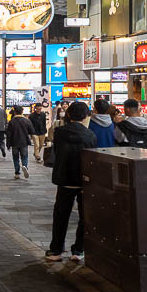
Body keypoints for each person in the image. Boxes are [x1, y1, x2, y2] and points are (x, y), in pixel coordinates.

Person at [46, 102, 97, 262]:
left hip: (65, 179)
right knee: (84, 217)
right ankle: (78, 250)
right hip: (83, 180)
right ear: (86, 116)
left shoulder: (60, 132)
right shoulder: (90, 135)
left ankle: (56, 251)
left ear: (69, 114)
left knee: (61, 216)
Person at [5, 105, 35, 179]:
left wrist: (8, 144)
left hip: (14, 142)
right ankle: (25, 166)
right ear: (22, 111)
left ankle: (17, 173)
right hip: (24, 142)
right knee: (24, 157)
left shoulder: (11, 121)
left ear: (14, 112)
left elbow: (8, 134)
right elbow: (32, 131)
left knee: (15, 158)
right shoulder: (27, 120)